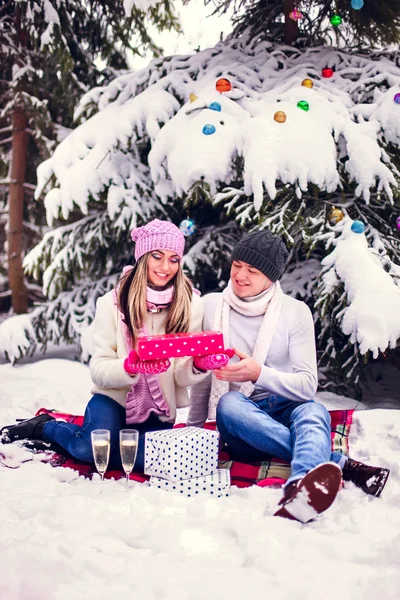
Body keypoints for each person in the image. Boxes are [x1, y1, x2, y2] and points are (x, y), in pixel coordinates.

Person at [187, 229, 390, 523]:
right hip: (243, 420)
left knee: (313, 410)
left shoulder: (295, 313)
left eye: (252, 270)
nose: (240, 275)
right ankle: (340, 464)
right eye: (236, 266)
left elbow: (307, 386)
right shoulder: (211, 305)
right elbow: (205, 377)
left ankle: (300, 488)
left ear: (271, 277)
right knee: (229, 403)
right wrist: (195, 432)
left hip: (286, 406)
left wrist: (259, 373)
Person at [1, 219, 223, 473]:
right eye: (157, 257)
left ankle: (94, 442)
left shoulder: (189, 304)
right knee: (91, 451)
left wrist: (197, 364)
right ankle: (45, 426)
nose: (165, 267)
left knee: (142, 459)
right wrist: (129, 366)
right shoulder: (112, 303)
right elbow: (99, 368)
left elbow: (180, 376)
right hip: (113, 399)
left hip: (158, 410)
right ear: (142, 258)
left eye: (174, 259)